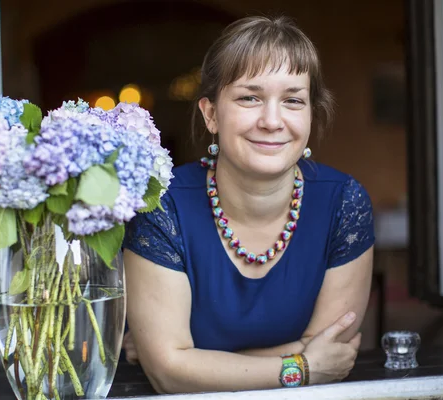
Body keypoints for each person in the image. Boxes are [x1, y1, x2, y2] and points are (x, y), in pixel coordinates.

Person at [122, 15, 375, 394]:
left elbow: (332, 352)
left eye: (292, 100)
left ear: (309, 114)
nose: (272, 121)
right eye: (249, 98)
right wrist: (302, 366)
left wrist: (189, 358)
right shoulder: (162, 205)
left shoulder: (344, 204)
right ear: (211, 114)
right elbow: (168, 374)